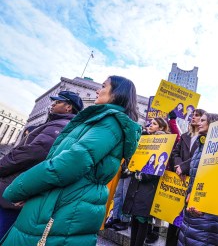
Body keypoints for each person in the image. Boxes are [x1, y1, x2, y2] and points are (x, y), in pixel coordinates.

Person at [0, 76, 141, 246]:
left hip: (64, 204)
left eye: (103, 86)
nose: (97, 90)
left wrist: (19, 189)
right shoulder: (101, 121)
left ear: (117, 94)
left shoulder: (110, 123)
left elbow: (69, 163)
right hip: (59, 199)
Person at [0, 90, 83, 238]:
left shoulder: (60, 125)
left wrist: (2, 166)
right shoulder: (57, 124)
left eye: (57, 102)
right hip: (17, 188)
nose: (52, 104)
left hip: (16, 188)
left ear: (68, 107)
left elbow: (30, 153)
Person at [177, 112, 218, 246]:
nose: (199, 122)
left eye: (203, 120)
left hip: (207, 215)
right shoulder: (201, 147)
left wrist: (204, 203)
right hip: (192, 207)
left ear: (213, 124)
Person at [123, 117, 169, 246]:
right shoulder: (144, 138)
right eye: (151, 123)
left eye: (154, 124)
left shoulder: (164, 142)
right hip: (136, 184)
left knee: (142, 219)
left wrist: (144, 176)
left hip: (148, 187)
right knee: (135, 218)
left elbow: (160, 166)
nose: (150, 125)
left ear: (161, 128)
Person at [166, 108, 205, 246]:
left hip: (192, 183)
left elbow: (200, 157)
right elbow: (175, 153)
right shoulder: (184, 137)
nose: (193, 117)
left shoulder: (204, 138)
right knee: (173, 218)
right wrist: (178, 167)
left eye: (197, 116)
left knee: (185, 220)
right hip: (178, 181)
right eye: (193, 115)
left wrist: (184, 167)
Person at [104, 158, 133, 231]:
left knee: (126, 196)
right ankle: (116, 217)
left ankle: (125, 221)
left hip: (131, 167)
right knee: (118, 194)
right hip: (122, 167)